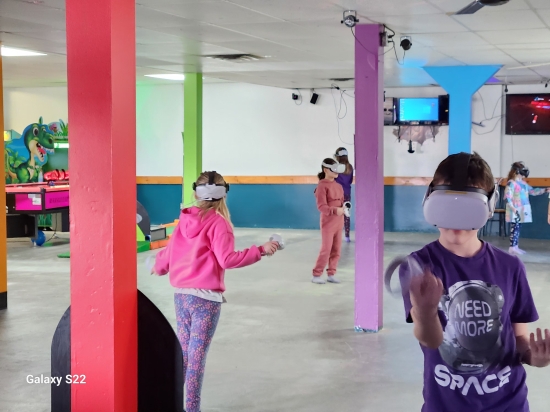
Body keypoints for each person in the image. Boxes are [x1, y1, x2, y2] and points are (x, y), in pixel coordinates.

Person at [400, 152, 550, 412]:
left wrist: (535, 357)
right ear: (429, 201)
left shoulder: (510, 267)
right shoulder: (418, 267)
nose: (456, 223)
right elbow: (431, 341)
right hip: (445, 405)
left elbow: (519, 338)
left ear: (489, 206)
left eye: (468, 210)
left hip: (508, 404)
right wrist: (425, 314)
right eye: (447, 208)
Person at [151, 171, 279, 412]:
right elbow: (227, 259)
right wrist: (260, 250)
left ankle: (169, 402)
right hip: (205, 300)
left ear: (195, 192)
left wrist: (158, 266)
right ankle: (192, 409)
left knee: (185, 355)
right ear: (224, 194)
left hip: (182, 296)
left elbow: (169, 253)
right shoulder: (219, 223)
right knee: (196, 359)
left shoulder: (185, 219)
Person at [504, 161, 550, 255]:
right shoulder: (511, 183)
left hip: (522, 209)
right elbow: (508, 196)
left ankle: (515, 246)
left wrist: (544, 190)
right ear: (516, 171)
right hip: (515, 209)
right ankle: (512, 247)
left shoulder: (523, 183)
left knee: (518, 227)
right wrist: (512, 207)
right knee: (515, 228)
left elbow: (532, 191)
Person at [312, 158, 345, 284]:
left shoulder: (339, 186)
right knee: (326, 250)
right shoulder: (322, 186)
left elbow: (342, 202)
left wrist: (344, 209)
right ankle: (316, 274)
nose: (336, 172)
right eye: (333, 169)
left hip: (339, 223)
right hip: (328, 223)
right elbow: (321, 207)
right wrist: (335, 210)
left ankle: (331, 273)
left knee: (336, 250)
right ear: (326, 170)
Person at [334, 147, 354, 242]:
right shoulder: (350, 167)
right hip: (347, 193)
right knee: (346, 214)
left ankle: (335, 236)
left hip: (336, 194)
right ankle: (347, 236)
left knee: (336, 214)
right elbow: (350, 181)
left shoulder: (336, 167)